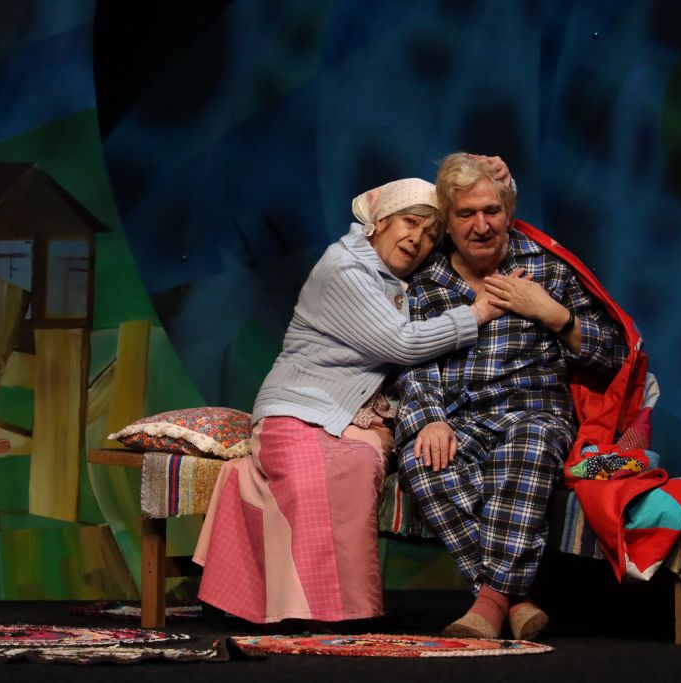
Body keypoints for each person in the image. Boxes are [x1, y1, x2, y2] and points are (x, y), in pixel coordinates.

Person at [192, 170, 517, 624]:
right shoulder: (345, 267)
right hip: (302, 408)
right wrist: (476, 313)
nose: (418, 239)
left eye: (430, 234)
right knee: (316, 478)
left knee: (360, 462)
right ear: (379, 222)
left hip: (352, 419)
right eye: (410, 222)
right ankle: (318, 612)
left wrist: (497, 176)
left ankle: (331, 606)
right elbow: (402, 344)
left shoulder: (399, 281)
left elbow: (484, 227)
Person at [395, 152, 630, 640]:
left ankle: (487, 604)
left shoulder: (547, 269)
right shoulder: (427, 283)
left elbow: (614, 355)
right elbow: (415, 364)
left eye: (492, 211)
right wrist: (431, 420)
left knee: (527, 444)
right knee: (421, 461)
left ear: (509, 212)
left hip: (535, 415)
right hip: (460, 420)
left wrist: (552, 313)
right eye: (466, 214)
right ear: (447, 222)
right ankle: (515, 599)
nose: (481, 226)